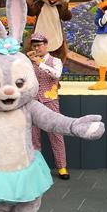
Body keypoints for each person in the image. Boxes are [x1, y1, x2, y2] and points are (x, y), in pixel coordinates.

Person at [28, 33, 69, 179]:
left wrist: (39, 63)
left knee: (56, 134)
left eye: (39, 45)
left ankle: (62, 166)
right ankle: (35, 167)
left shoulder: (55, 61)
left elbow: (57, 75)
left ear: (46, 45)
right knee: (33, 136)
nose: (37, 48)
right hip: (33, 102)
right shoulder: (28, 63)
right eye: (34, 46)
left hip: (50, 101)